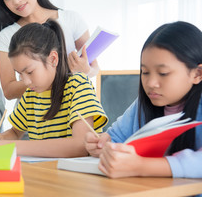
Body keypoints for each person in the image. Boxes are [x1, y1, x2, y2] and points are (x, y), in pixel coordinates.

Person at [85, 21, 202, 179]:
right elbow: (116, 138)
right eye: (145, 72)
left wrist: (140, 166)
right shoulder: (142, 105)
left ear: (197, 74)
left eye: (163, 73)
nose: (151, 83)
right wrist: (104, 147)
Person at [0, 19, 107, 157]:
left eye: (29, 72)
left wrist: (7, 146)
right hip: (44, 171)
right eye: (19, 74)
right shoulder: (30, 94)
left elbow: (81, 145)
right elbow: (15, 132)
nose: (25, 81)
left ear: (53, 59)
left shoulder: (78, 85)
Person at [0, 0, 99, 100]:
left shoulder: (71, 19)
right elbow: (9, 91)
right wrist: (45, 78)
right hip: (33, 114)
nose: (16, 1)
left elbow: (95, 69)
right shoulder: (7, 36)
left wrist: (86, 70)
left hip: (72, 106)